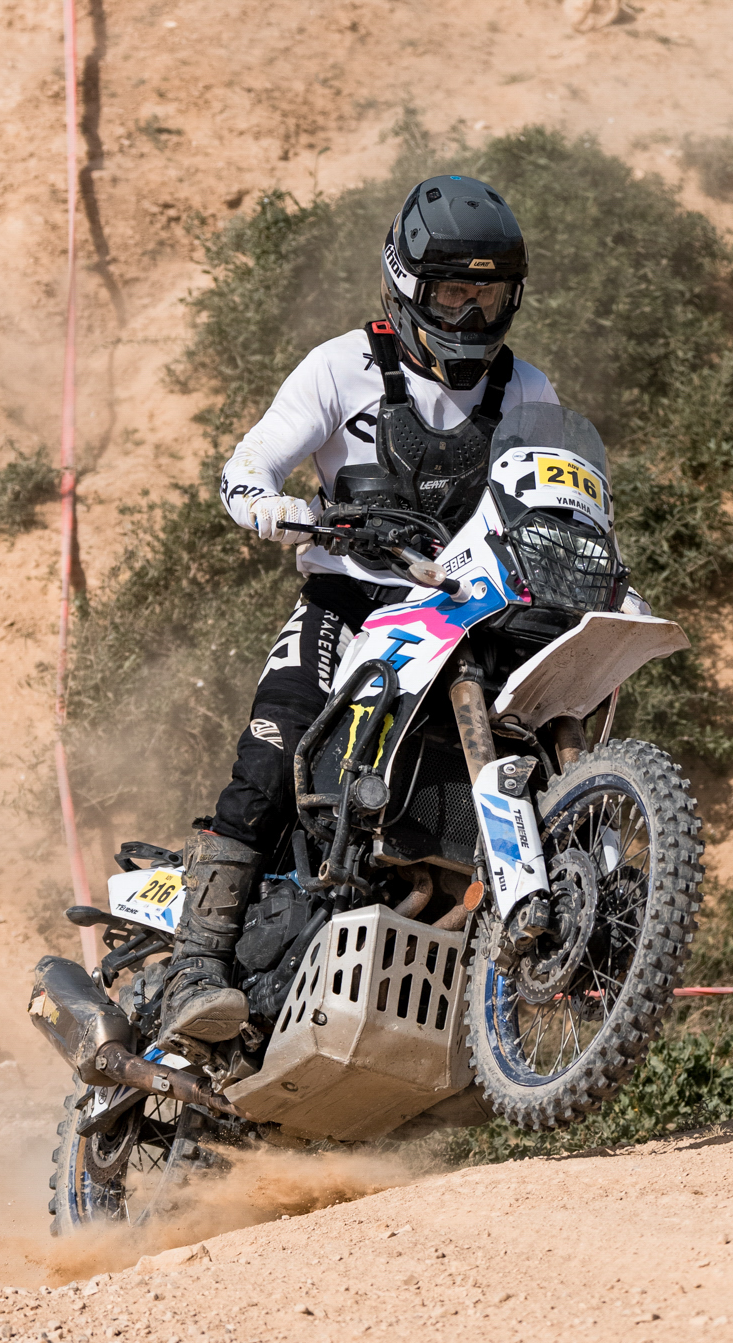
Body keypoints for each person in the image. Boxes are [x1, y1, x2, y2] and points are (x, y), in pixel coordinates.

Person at [157, 174, 558, 1048]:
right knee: (276, 751)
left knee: (539, 737)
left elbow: (558, 497)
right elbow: (249, 464)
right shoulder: (345, 366)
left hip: (466, 611)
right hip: (350, 594)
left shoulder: (529, 391)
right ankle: (196, 965)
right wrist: (270, 505)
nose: (471, 311)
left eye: (489, 293)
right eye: (452, 291)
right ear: (407, 284)